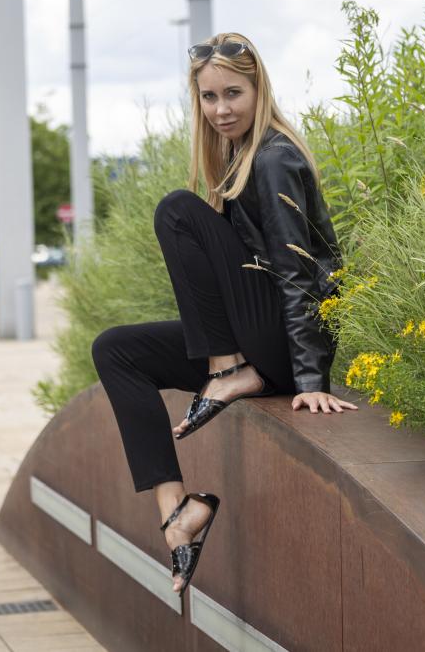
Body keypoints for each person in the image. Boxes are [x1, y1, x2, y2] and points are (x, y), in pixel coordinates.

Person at [91, 32, 359, 595]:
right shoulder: (238, 159)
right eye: (209, 98)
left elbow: (299, 272)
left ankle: (226, 369)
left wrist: (310, 378)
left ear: (259, 88)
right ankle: (179, 512)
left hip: (280, 352)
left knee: (175, 209)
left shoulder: (275, 157)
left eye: (233, 93)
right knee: (116, 349)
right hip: (253, 345)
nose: (221, 110)